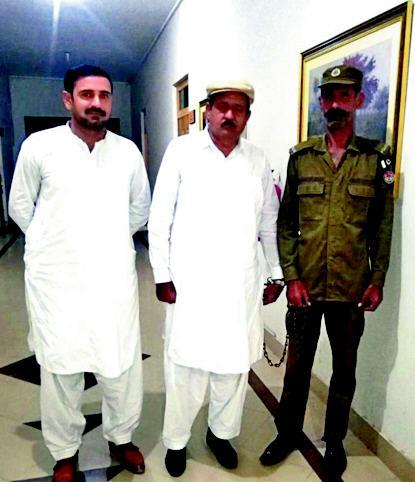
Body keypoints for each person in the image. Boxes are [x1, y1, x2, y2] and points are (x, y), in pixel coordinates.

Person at [9, 65, 151, 481]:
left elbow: (139, 209)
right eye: (87, 95)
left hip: (112, 280)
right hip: (57, 283)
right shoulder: (40, 146)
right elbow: (20, 206)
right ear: (68, 100)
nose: (96, 103)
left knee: (119, 365)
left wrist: (105, 242)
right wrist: (53, 243)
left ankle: (121, 438)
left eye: (104, 95)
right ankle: (64, 452)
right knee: (61, 369)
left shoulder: (127, 152)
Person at [260, 65, 394, 478]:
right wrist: (291, 276)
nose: (336, 104)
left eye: (344, 96)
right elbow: (286, 223)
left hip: (351, 289)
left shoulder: (375, 159)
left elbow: (382, 226)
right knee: (297, 367)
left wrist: (377, 280)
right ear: (321, 102)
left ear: (358, 100)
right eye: (329, 96)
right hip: (305, 287)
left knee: (344, 370)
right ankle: (287, 433)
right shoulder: (302, 158)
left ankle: (334, 441)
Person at [148, 81, 284, 477]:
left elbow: (269, 223)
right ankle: (176, 441)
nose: (229, 115)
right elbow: (160, 217)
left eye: (238, 109)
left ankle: (220, 435)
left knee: (233, 368)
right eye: (222, 106)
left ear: (247, 116)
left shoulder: (257, 160)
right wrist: (161, 274)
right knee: (185, 369)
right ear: (207, 110)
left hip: (239, 284)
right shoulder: (181, 152)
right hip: (190, 284)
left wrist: (275, 272)